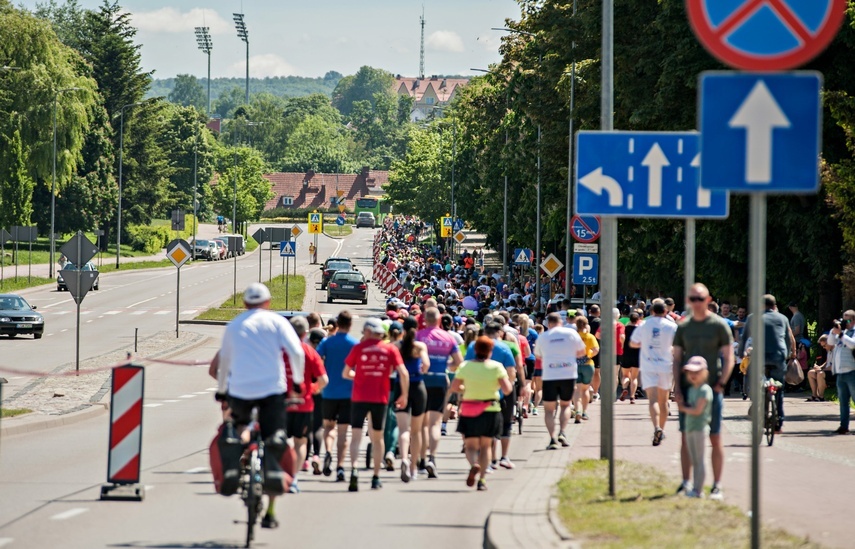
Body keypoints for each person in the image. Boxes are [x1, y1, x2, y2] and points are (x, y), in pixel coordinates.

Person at [215, 283, 306, 529]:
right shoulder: (277, 322)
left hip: (240, 391)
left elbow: (224, 361)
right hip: (272, 391)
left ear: (245, 304)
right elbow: (297, 353)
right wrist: (298, 383)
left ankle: (235, 465)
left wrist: (222, 390)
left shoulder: (234, 325)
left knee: (239, 427)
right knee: (275, 437)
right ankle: (271, 508)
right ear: (268, 302)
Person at [671, 283, 733, 500]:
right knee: (685, 437)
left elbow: (729, 357)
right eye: (692, 299)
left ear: (708, 300)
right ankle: (686, 482)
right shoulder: (684, 326)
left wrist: (721, 383)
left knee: (715, 436)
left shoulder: (718, 325)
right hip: (688, 388)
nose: (696, 303)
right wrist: (677, 388)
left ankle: (716, 485)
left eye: (700, 298)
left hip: (712, 388)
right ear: (688, 301)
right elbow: (677, 358)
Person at [344, 318, 409, 491]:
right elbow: (403, 373)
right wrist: (404, 394)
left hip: (359, 397)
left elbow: (346, 373)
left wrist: (359, 376)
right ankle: (375, 476)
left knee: (356, 436)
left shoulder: (358, 348)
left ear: (367, 331)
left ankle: (354, 469)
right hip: (380, 398)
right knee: (378, 438)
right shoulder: (390, 349)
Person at [452, 336, 514, 491]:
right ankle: (482, 480)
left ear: (475, 350)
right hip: (491, 409)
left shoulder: (465, 366)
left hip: (469, 409)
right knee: (486, 446)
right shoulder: (497, 367)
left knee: (470, 446)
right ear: (490, 351)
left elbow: (455, 387)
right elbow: (507, 390)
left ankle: (474, 464)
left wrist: (466, 388)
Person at [282, 316, 328, 495]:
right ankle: (293, 478)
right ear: (305, 333)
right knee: (300, 442)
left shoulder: (279, 350)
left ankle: (277, 472)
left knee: (277, 439)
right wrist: (313, 389)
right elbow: (324, 380)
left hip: (281, 403)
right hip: (304, 403)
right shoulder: (309, 352)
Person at [416, 307, 463, 478]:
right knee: (435, 423)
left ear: (424, 320)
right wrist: (446, 366)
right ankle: (432, 458)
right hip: (440, 380)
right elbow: (459, 362)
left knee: (422, 424)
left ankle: (422, 461)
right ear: (439, 320)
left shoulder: (419, 336)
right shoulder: (448, 337)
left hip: (421, 381)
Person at [738, 294, 793, 434]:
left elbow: (744, 338)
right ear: (774, 305)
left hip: (759, 356)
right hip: (778, 356)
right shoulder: (783, 318)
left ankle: (754, 398)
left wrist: (740, 353)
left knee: (750, 374)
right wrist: (786, 355)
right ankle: (778, 422)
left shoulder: (753, 317)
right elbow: (788, 339)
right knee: (779, 387)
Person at [316, 311, 358, 482]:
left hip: (329, 391)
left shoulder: (327, 342)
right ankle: (340, 466)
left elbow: (317, 360)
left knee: (328, 427)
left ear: (338, 324)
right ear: (350, 325)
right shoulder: (354, 344)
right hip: (348, 392)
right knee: (343, 432)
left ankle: (327, 451)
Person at [535, 313, 586, 450]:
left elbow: (538, 355)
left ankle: (552, 439)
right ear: (561, 322)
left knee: (549, 410)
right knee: (565, 405)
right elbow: (582, 352)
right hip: (568, 374)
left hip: (550, 375)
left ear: (549, 324)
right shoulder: (571, 333)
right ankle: (562, 432)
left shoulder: (543, 336)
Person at [630, 299, 678, 446]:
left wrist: (644, 343)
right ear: (666, 311)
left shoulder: (644, 325)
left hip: (648, 365)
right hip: (665, 365)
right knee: (664, 400)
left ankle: (656, 427)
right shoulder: (672, 326)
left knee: (652, 400)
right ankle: (661, 429)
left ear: (651, 311)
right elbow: (678, 346)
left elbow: (633, 343)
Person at [393, 317, 430, 481]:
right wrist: (421, 370)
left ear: (403, 330)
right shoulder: (420, 346)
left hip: (400, 387)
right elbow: (426, 364)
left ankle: (403, 459)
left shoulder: (396, 346)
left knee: (403, 429)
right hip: (418, 387)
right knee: (416, 431)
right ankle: (414, 467)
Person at [677, 356, 713, 498]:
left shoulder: (705, 390)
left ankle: (699, 490)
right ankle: (694, 487)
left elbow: (698, 410)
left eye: (697, 372)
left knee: (700, 460)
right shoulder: (692, 389)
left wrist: (683, 408)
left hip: (700, 429)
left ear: (704, 373)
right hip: (690, 428)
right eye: (690, 372)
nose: (693, 375)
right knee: (693, 459)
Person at [827, 310, 855, 435]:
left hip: (852, 371)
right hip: (840, 372)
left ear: (853, 321)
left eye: (848, 320)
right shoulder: (842, 333)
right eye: (844, 320)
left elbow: (853, 345)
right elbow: (830, 342)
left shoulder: (852, 332)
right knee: (843, 402)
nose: (845, 323)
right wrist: (834, 332)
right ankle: (844, 426)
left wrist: (842, 335)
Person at [572, 316, 599, 427]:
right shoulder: (590, 336)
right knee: (585, 389)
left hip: (575, 365)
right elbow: (596, 350)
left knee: (576, 389)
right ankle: (584, 412)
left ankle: (577, 410)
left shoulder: (573, 336)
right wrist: (588, 356)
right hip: (588, 365)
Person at [620, 312, 642, 403]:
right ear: (638, 320)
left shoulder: (625, 328)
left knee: (625, 375)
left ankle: (625, 388)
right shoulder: (640, 330)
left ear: (630, 319)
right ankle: (632, 397)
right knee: (634, 377)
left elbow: (622, 338)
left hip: (626, 353)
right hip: (637, 354)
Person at [807, 334, 829, 401]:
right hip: (826, 370)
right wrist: (819, 367)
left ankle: (821, 396)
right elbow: (827, 362)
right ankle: (814, 395)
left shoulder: (835, 350)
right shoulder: (828, 351)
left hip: (833, 372)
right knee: (810, 373)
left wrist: (821, 369)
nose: (823, 348)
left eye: (824, 345)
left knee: (820, 373)